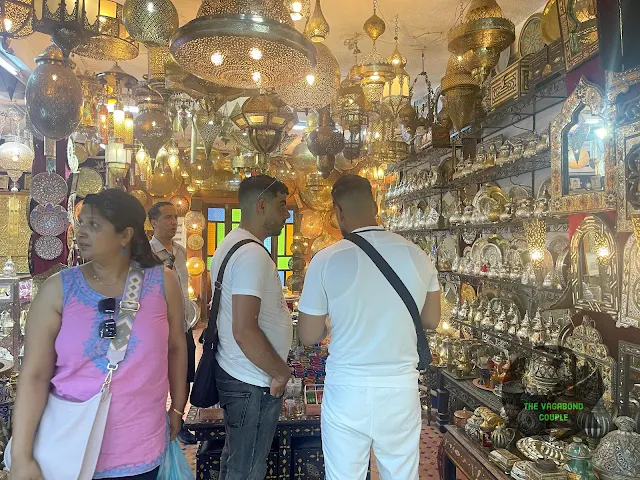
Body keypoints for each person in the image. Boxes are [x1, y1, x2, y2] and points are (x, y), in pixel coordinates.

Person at [9, 189, 187, 480]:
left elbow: (177, 347)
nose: (81, 233)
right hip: (68, 449)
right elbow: (34, 375)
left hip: (140, 449)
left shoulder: (161, 282)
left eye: (94, 225)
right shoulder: (58, 290)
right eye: (81, 223)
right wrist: (21, 456)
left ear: (125, 235)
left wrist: (178, 408)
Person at [297, 174, 441, 480]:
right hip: (400, 388)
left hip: (347, 388)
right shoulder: (418, 255)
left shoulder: (325, 260)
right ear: (375, 204)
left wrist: (328, 326)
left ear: (337, 212)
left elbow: (308, 335)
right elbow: (430, 320)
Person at [209, 175, 292, 480]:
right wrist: (280, 372)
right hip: (251, 379)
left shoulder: (233, 243)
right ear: (261, 206)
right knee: (247, 469)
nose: (286, 213)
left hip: (242, 374)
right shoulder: (251, 254)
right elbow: (244, 329)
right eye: (281, 205)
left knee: (238, 462)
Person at [148, 201, 197, 445]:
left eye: (175, 217)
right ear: (153, 223)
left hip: (183, 326)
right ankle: (156, 420)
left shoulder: (180, 252)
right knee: (158, 375)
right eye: (167, 217)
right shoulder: (146, 255)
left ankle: (179, 418)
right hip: (158, 329)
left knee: (184, 375)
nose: (173, 222)